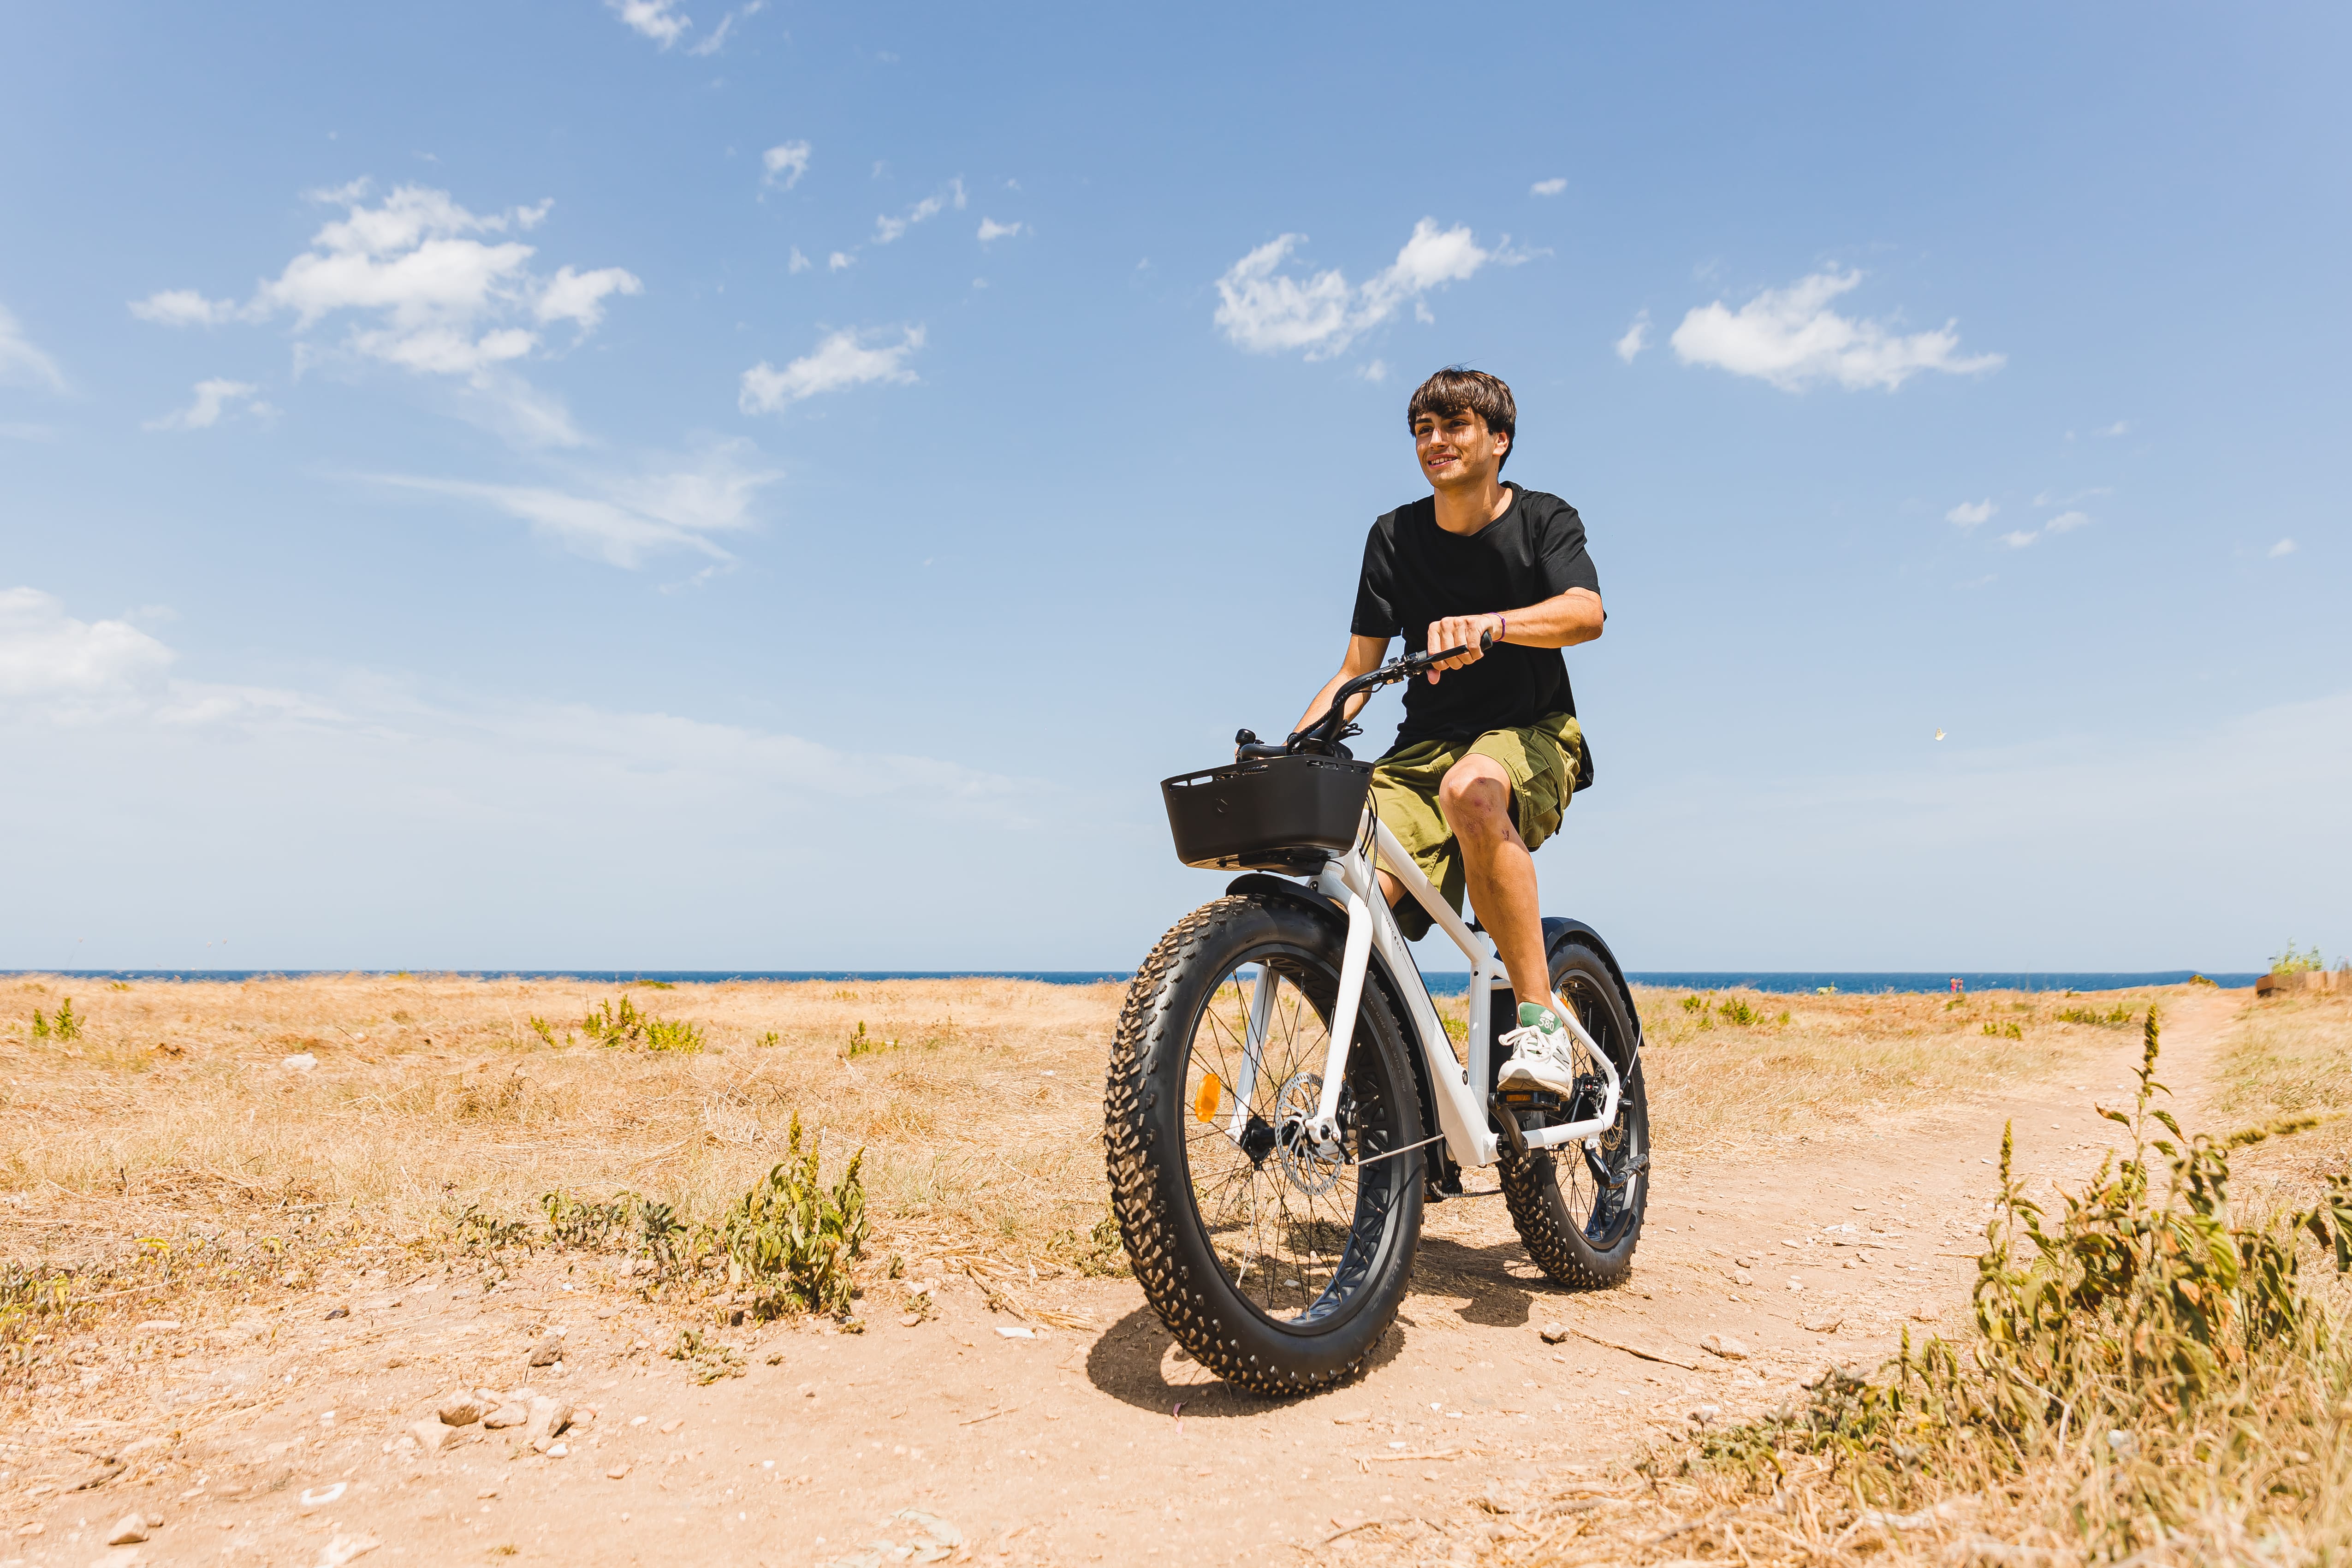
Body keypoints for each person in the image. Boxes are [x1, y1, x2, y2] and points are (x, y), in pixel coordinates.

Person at [1289, 366, 1604, 1097]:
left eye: (1454, 426)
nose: (1435, 442)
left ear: (1499, 440)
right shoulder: (1394, 538)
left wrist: (1496, 626)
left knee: (1472, 789)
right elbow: (1354, 670)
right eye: (1423, 431)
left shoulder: (1545, 519)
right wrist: (1294, 752)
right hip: (1421, 754)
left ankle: (1541, 1023)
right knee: (1344, 891)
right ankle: (1390, 1090)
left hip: (1531, 733)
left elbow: (1585, 613)